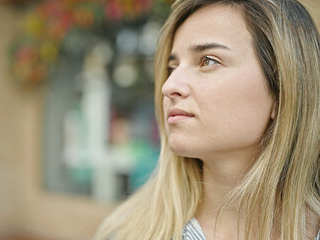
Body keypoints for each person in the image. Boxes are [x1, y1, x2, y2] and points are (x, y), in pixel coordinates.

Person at [94, 0, 320, 239]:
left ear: (283, 90)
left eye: (208, 61)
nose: (169, 86)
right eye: (172, 67)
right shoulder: (125, 232)